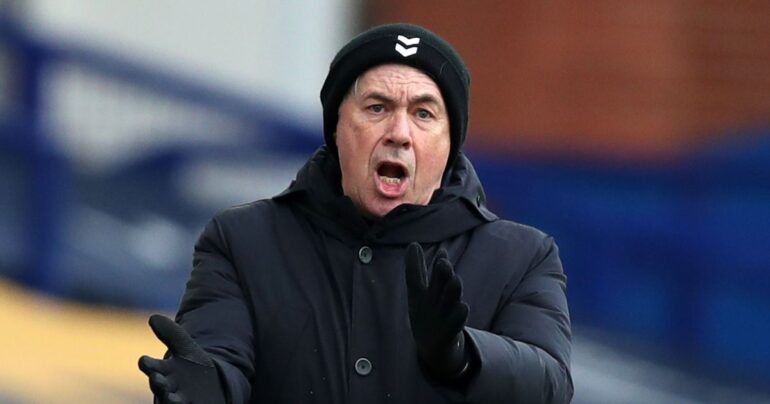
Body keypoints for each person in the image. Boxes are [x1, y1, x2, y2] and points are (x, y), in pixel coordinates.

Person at [138, 22, 573, 403]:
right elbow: (219, 360)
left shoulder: (520, 256)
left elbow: (549, 385)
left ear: (450, 143)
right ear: (337, 129)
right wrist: (204, 389)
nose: (399, 133)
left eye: (424, 113)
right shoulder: (244, 240)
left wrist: (461, 356)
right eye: (377, 108)